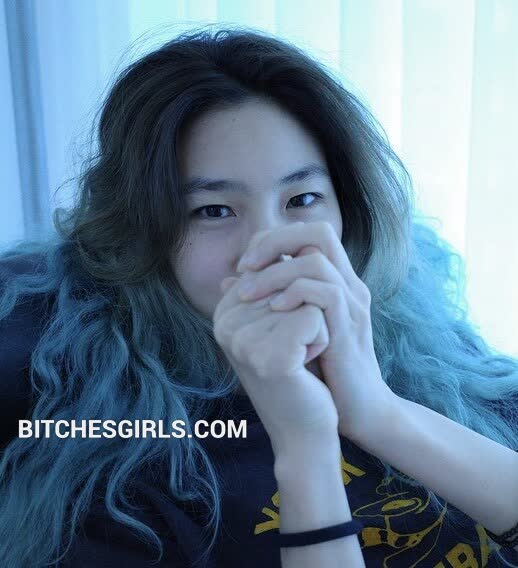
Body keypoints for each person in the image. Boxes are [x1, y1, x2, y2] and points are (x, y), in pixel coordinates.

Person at [1, 25, 518, 568]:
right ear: (144, 234)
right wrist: (303, 446)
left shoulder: (424, 346)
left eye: (303, 199)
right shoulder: (107, 462)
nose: (272, 247)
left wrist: (376, 410)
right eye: (213, 211)